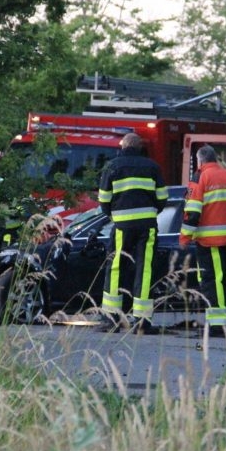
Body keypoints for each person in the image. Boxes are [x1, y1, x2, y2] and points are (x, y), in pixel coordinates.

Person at [97, 133, 168, 332]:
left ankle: (111, 319)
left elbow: (104, 200)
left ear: (123, 146)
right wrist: (149, 213)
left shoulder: (112, 166)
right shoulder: (152, 167)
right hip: (147, 226)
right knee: (145, 270)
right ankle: (142, 321)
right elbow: (162, 198)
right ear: (140, 147)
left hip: (122, 226)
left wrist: (115, 215)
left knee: (116, 268)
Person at [179, 145, 226, 338]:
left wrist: (184, 237)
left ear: (200, 161)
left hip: (209, 241)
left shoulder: (201, 177)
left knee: (212, 280)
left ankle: (217, 325)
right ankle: (218, 322)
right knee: (222, 280)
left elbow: (192, 213)